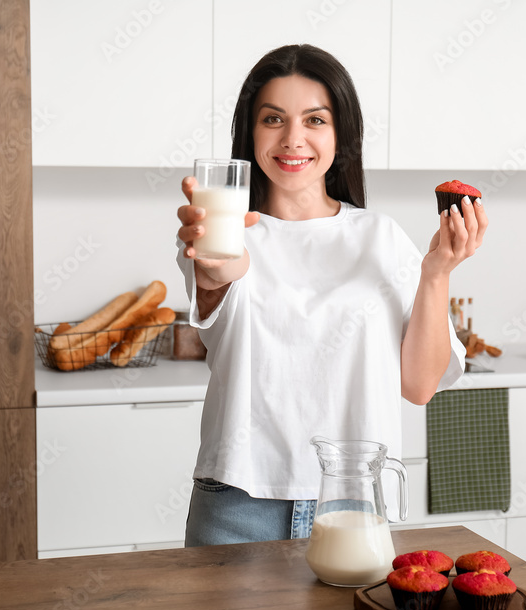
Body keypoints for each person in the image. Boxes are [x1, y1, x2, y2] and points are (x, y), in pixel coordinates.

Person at [174, 44, 487, 547]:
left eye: (314, 120)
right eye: (273, 118)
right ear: (250, 132)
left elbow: (420, 385)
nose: (293, 138)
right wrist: (213, 260)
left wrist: (436, 274)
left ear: (341, 135)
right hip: (238, 505)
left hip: (355, 505)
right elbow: (218, 274)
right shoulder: (225, 233)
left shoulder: (382, 237)